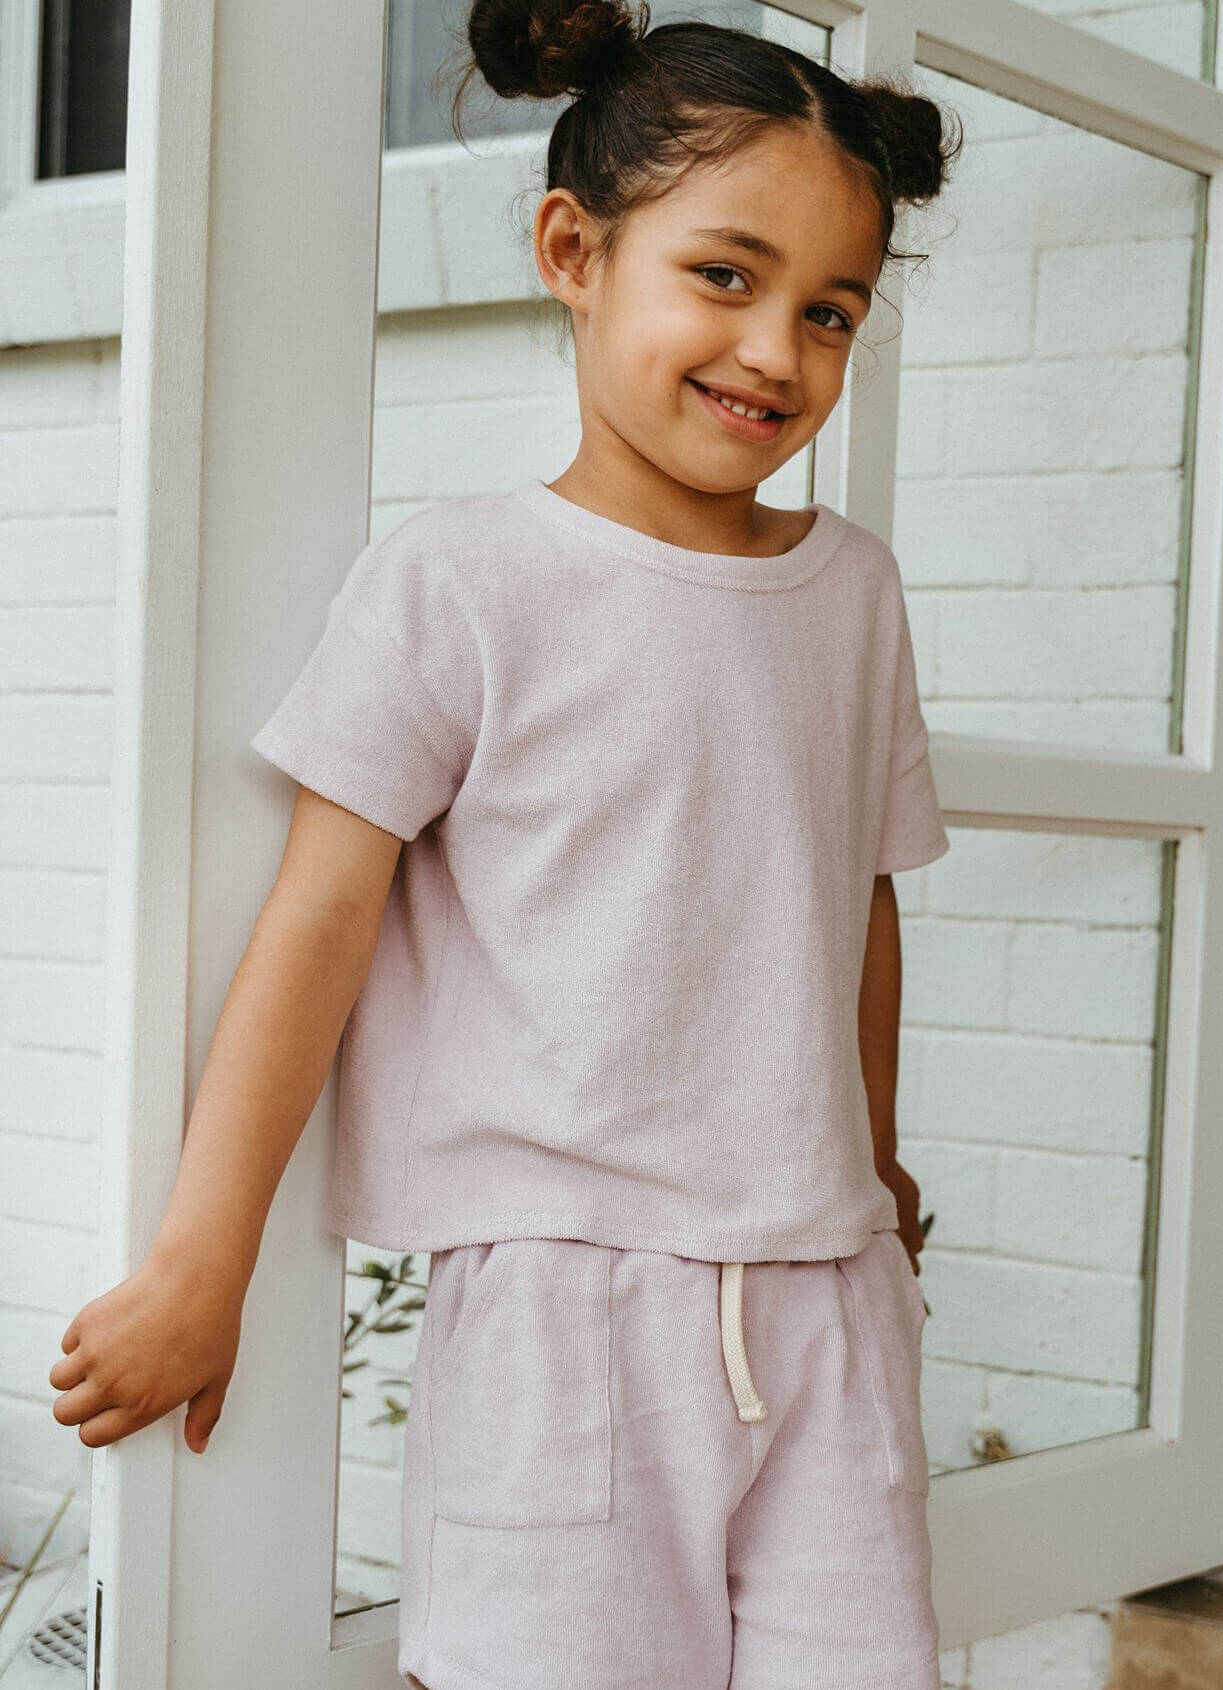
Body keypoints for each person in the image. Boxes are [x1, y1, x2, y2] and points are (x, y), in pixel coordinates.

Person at [49, 2, 963, 1684]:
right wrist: (206, 1255)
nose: (777, 350)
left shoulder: (854, 594)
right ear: (574, 250)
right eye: (726, 277)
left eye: (829, 312)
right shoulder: (463, 583)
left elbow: (860, 895)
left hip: (829, 1293)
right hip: (567, 1314)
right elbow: (317, 924)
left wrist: (879, 1165)